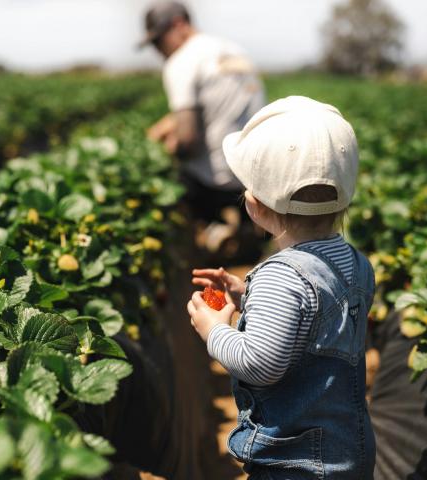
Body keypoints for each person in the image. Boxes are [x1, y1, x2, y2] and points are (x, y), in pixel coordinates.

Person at [187, 96, 376, 479]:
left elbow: (260, 365)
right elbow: (317, 317)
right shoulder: (356, 263)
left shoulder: (282, 277)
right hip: (348, 452)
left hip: (295, 462)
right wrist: (249, 297)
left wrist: (214, 330)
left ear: (254, 206)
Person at [139, 1, 266, 257]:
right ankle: (247, 228)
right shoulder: (233, 50)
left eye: (158, 41)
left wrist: (167, 147)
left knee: (166, 175)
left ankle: (210, 229)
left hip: (214, 181)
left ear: (178, 25)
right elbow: (220, 107)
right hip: (254, 174)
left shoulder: (182, 61)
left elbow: (188, 140)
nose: (157, 50)